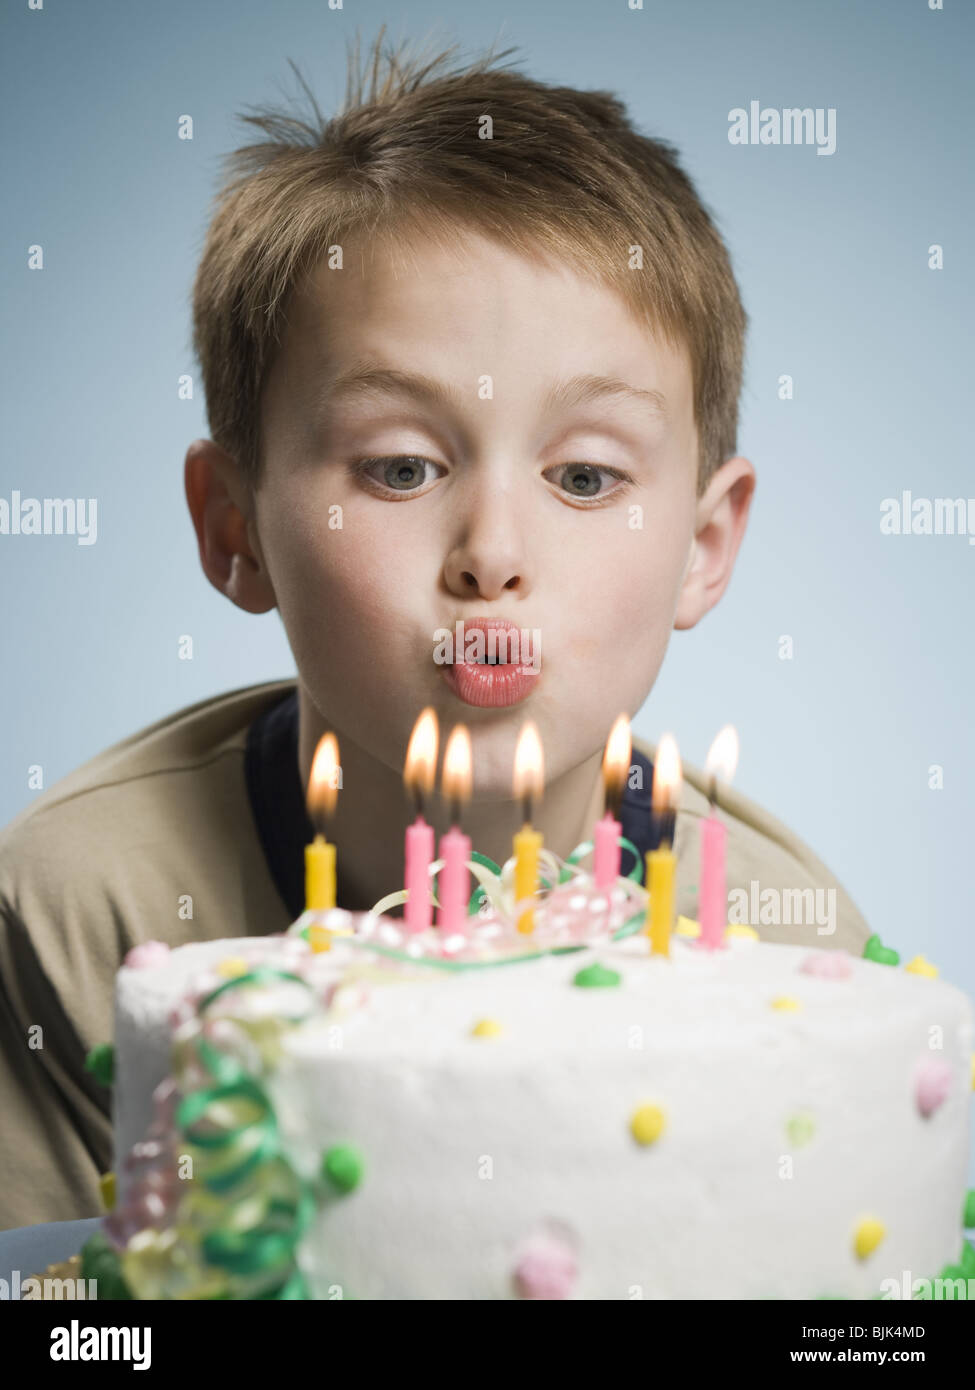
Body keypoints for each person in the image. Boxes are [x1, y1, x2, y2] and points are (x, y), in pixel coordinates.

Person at [0, 31, 869, 1232]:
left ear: (705, 545)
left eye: (584, 477)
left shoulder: (786, 951)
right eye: (402, 467)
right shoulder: (76, 908)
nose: (493, 551)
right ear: (234, 527)